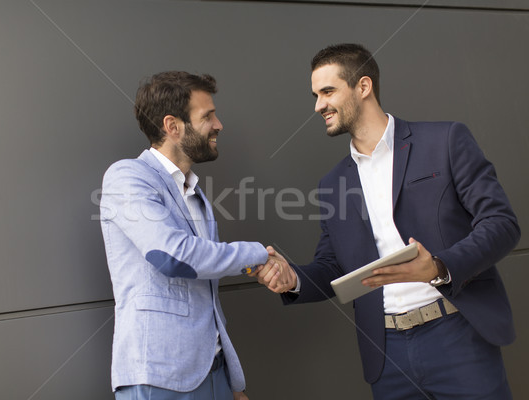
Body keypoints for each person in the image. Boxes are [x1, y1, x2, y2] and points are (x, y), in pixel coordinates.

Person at [254, 44, 520, 399]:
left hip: (458, 336)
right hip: (388, 355)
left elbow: (501, 223)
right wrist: (293, 279)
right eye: (316, 95)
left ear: (363, 87)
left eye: (328, 91)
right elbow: (333, 266)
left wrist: (439, 266)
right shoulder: (333, 183)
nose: (318, 105)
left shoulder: (445, 140)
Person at [100, 71, 276, 400]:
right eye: (207, 116)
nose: (218, 124)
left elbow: (202, 289)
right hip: (160, 377)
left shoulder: (195, 193)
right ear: (173, 126)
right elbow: (172, 255)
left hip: (213, 373)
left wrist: (229, 383)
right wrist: (257, 255)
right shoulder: (127, 177)